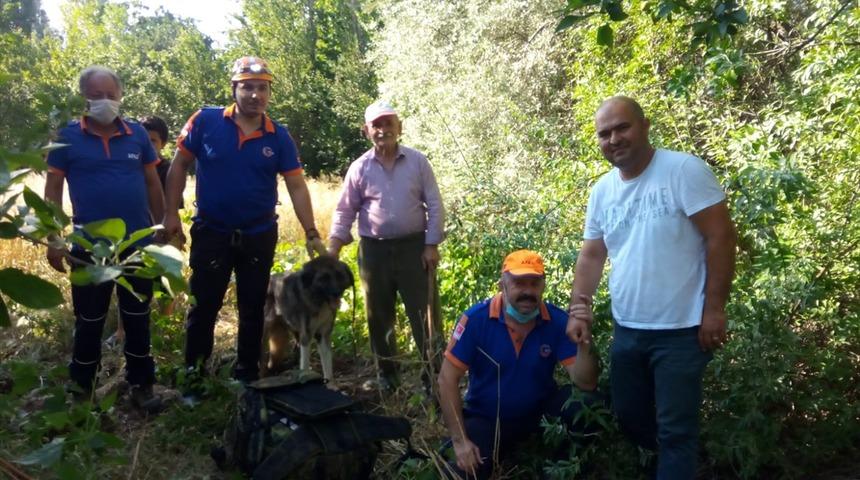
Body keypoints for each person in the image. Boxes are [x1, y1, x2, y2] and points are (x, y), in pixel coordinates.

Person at [566, 96, 737, 479]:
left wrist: (714, 308)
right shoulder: (603, 191)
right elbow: (593, 255)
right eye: (604, 133)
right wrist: (580, 308)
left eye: (622, 128)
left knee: (676, 431)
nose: (613, 139)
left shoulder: (683, 171)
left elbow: (721, 238)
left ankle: (678, 463)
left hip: (681, 330)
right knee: (630, 415)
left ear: (644, 126)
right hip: (629, 329)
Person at [162, 56, 326, 385]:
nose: (255, 95)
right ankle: (194, 377)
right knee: (204, 305)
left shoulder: (278, 136)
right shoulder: (205, 121)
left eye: (262, 88)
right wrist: (170, 215)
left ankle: (247, 376)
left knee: (252, 308)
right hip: (212, 231)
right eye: (248, 87)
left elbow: (296, 184)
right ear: (234, 88)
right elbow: (178, 165)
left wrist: (311, 231)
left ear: (269, 92)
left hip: (258, 233)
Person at [44, 65, 165, 412]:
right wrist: (54, 237)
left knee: (139, 317)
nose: (105, 102)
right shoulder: (67, 138)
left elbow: (153, 183)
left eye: (110, 95)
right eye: (96, 96)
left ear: (120, 96)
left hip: (136, 246)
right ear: (85, 97)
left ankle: (142, 385)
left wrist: (161, 230)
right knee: (89, 320)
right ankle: (82, 391)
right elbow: (53, 189)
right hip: (89, 248)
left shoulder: (138, 135)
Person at [438, 250, 599, 479]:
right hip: (487, 418)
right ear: (502, 283)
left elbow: (586, 383)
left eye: (534, 284)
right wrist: (460, 441)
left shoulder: (556, 321)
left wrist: (584, 341)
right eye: (519, 283)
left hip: (540, 415)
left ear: (543, 285)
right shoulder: (476, 320)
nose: (527, 291)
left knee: (586, 404)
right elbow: (446, 379)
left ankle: (560, 469)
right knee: (462, 471)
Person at [328, 100, 445, 392]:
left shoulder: (418, 162)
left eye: (388, 123)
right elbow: (345, 211)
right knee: (378, 315)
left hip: (414, 248)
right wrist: (333, 248)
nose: (383, 130)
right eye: (376, 125)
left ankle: (435, 377)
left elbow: (434, 204)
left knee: (425, 314)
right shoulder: (359, 168)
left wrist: (431, 244)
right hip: (374, 251)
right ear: (367, 130)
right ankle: (387, 376)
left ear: (399, 127)